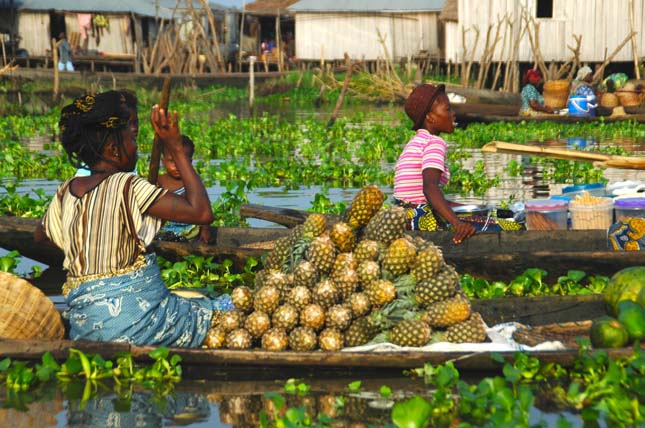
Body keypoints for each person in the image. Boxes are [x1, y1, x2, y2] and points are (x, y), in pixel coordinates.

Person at [34, 91, 231, 348]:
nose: (136, 147)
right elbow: (202, 212)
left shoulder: (67, 190)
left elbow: (40, 236)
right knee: (226, 306)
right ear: (114, 148)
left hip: (86, 328)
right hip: (138, 325)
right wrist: (174, 148)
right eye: (132, 139)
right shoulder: (129, 185)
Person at [393, 84, 477, 245]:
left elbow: (420, 194)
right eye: (447, 109)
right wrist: (457, 223)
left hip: (402, 217)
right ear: (430, 117)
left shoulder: (415, 142)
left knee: (478, 212)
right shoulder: (434, 142)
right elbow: (429, 188)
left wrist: (466, 207)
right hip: (421, 219)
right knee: (509, 223)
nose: (453, 114)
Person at [157, 135, 212, 244]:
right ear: (163, 162)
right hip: (164, 230)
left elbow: (204, 207)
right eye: (172, 161)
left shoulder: (192, 183)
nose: (177, 166)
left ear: (190, 162)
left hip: (189, 230)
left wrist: (205, 230)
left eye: (182, 162)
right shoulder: (158, 181)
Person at [75, 90, 138, 177]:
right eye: (127, 125)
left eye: (136, 123)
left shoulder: (129, 164)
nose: (134, 129)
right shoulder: (84, 174)